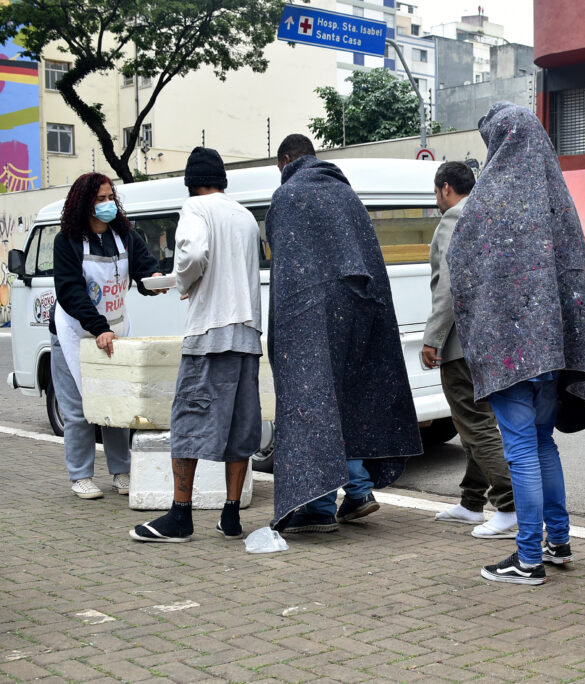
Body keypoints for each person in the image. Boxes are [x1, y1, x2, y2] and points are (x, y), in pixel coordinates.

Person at [447, 103, 585, 585]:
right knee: (543, 443)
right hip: (554, 349)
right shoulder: (559, 198)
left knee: (519, 450)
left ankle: (527, 558)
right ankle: (558, 541)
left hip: (508, 350)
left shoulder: (488, 200)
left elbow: (462, 259)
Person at [267, 134, 422, 533]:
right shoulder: (346, 194)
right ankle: (358, 491)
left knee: (312, 400)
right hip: (360, 311)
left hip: (312, 314)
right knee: (347, 398)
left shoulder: (289, 196)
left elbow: (287, 268)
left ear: (286, 160)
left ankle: (318, 507)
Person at [130, 147, 262, 542]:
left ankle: (180, 516)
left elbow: (192, 254)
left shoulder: (195, 209)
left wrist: (184, 283)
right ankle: (231, 516)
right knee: (241, 426)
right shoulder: (245, 217)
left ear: (192, 183)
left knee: (187, 419)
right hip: (248, 334)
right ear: (222, 180)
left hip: (209, 331)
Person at [51, 172, 165, 499]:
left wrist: (155, 281)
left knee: (117, 406)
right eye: (100, 199)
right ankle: (81, 475)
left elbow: (144, 269)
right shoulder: (67, 242)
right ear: (84, 205)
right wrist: (97, 327)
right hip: (74, 332)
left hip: (115, 332)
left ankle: (121, 471)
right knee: (77, 410)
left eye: (109, 197)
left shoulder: (125, 236)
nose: (107, 204)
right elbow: (71, 292)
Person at [422, 161, 517, 539]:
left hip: (460, 342)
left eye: (436, 193)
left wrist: (433, 337)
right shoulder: (490, 215)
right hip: (490, 340)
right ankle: (472, 501)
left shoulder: (454, 218)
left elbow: (449, 283)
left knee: (475, 424)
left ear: (446, 188)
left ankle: (510, 507)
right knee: (478, 422)